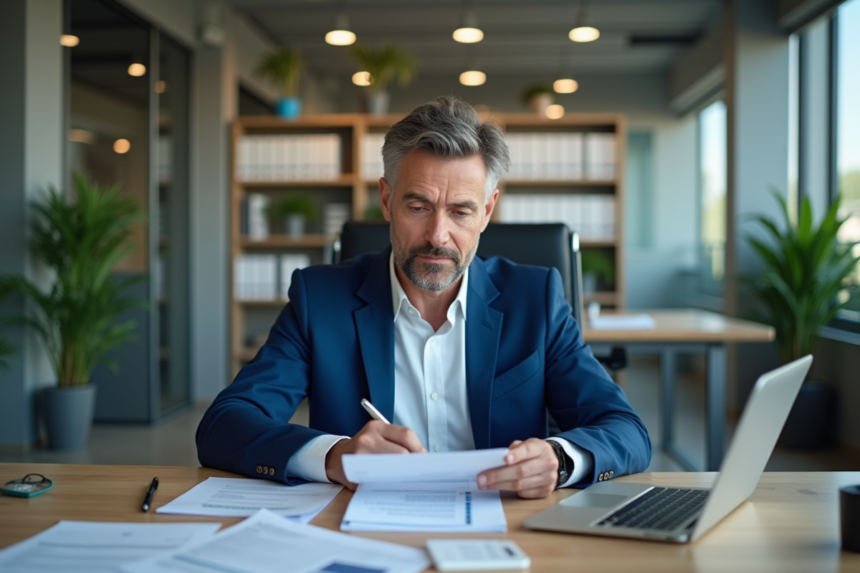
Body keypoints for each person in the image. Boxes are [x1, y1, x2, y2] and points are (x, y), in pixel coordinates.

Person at [197, 96, 651, 499]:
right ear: (386, 199)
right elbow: (224, 424)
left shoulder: (536, 299)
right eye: (418, 207)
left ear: (487, 211)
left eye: (461, 211)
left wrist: (560, 459)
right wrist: (335, 455)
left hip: (506, 527)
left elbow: (626, 430)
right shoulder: (320, 299)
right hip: (360, 528)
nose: (438, 235)